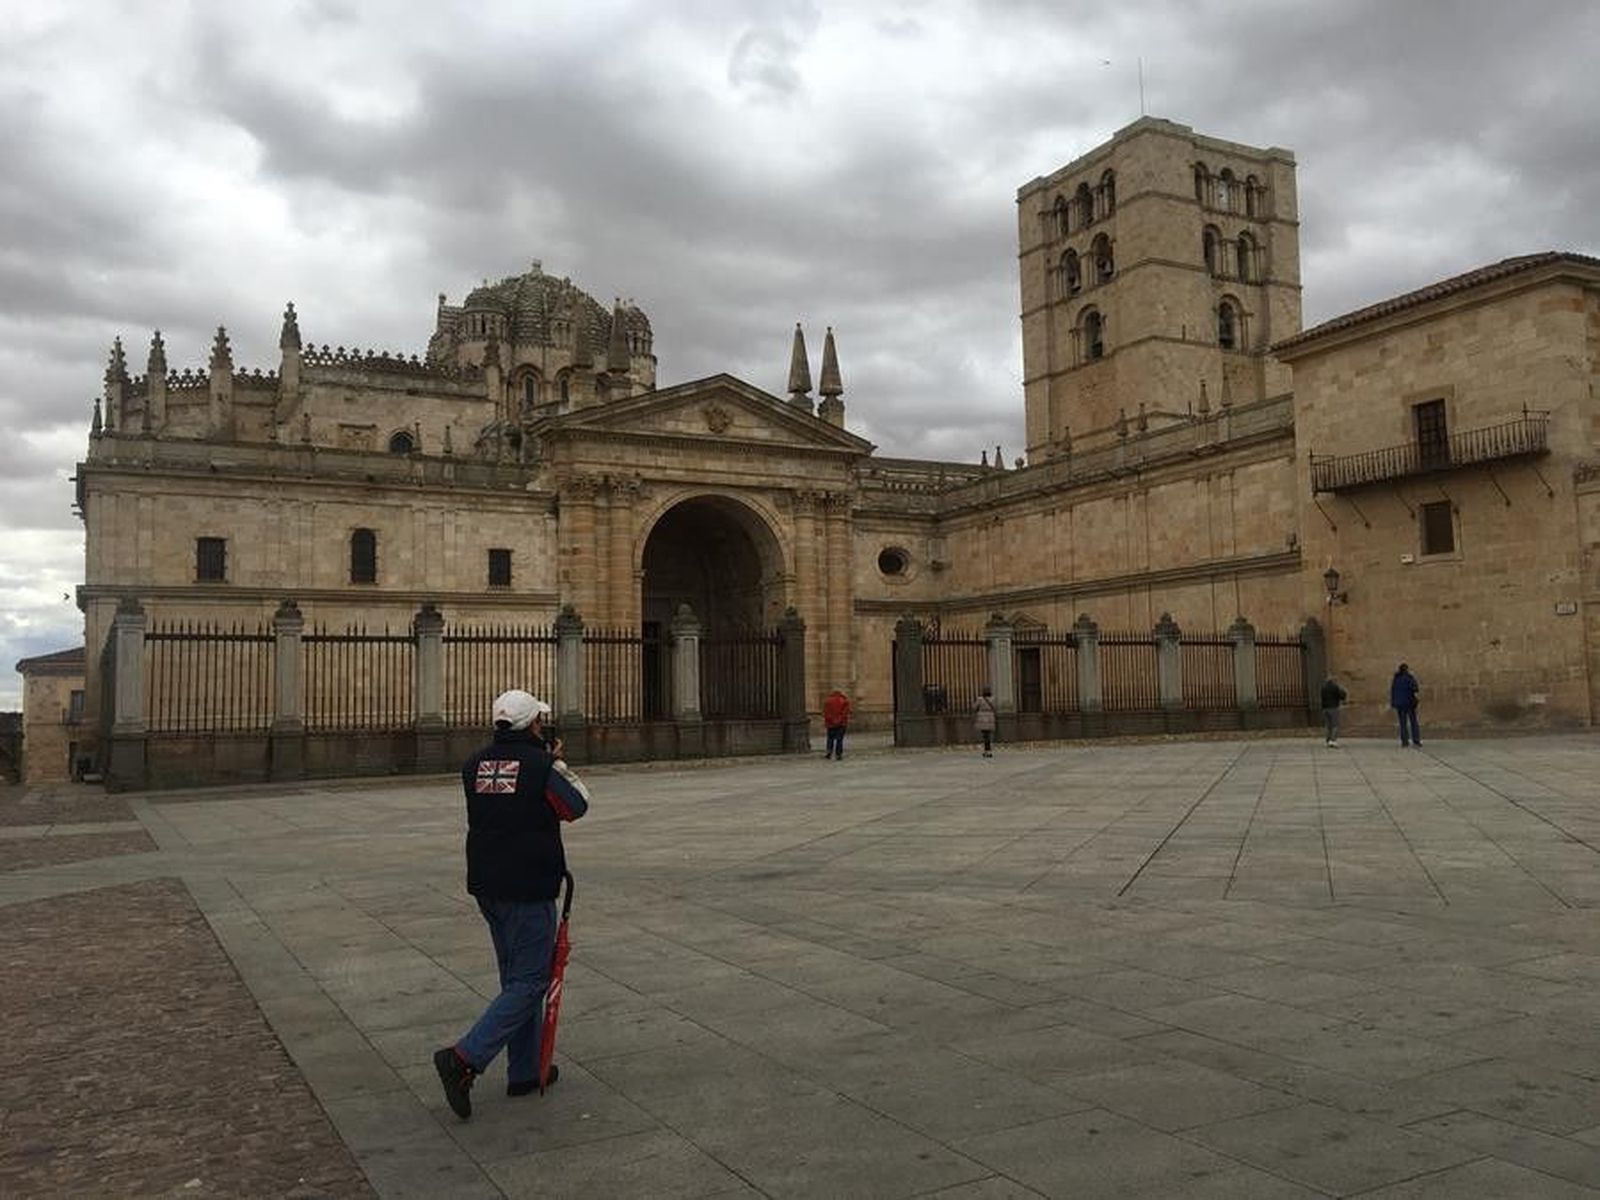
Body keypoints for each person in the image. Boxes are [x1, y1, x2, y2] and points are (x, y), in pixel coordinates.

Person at [434, 689, 590, 1120]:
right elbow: (576, 805)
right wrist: (556, 764)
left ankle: (524, 1070)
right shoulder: (541, 766)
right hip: (527, 885)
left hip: (488, 885)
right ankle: (464, 1058)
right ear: (533, 725)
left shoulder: (474, 764)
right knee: (531, 981)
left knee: (516, 978)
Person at [1390, 663, 1422, 747]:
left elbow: (1393, 691)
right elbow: (1415, 688)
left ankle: (1404, 741)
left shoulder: (1396, 679)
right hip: (1409, 703)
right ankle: (1416, 740)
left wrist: (1394, 703)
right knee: (1413, 722)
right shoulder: (1409, 678)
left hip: (1400, 705)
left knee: (1403, 723)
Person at [822, 688, 852, 760]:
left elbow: (826, 712)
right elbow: (845, 712)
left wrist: (831, 720)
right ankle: (838, 754)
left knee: (830, 738)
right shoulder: (844, 701)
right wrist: (840, 720)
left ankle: (829, 751)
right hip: (841, 724)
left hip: (830, 724)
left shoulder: (828, 701)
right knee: (839, 739)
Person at [1320, 675, 1347, 747]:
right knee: (1335, 725)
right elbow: (1342, 695)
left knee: (1328, 725)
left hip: (1325, 708)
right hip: (1333, 707)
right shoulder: (1335, 687)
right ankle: (1333, 740)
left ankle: (1328, 740)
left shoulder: (1323, 688)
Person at [973, 687, 997, 757]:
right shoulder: (993, 699)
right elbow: (995, 707)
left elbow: (974, 707)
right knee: (988, 735)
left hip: (982, 718)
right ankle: (988, 751)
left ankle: (987, 751)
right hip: (990, 717)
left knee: (985, 735)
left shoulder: (980, 699)